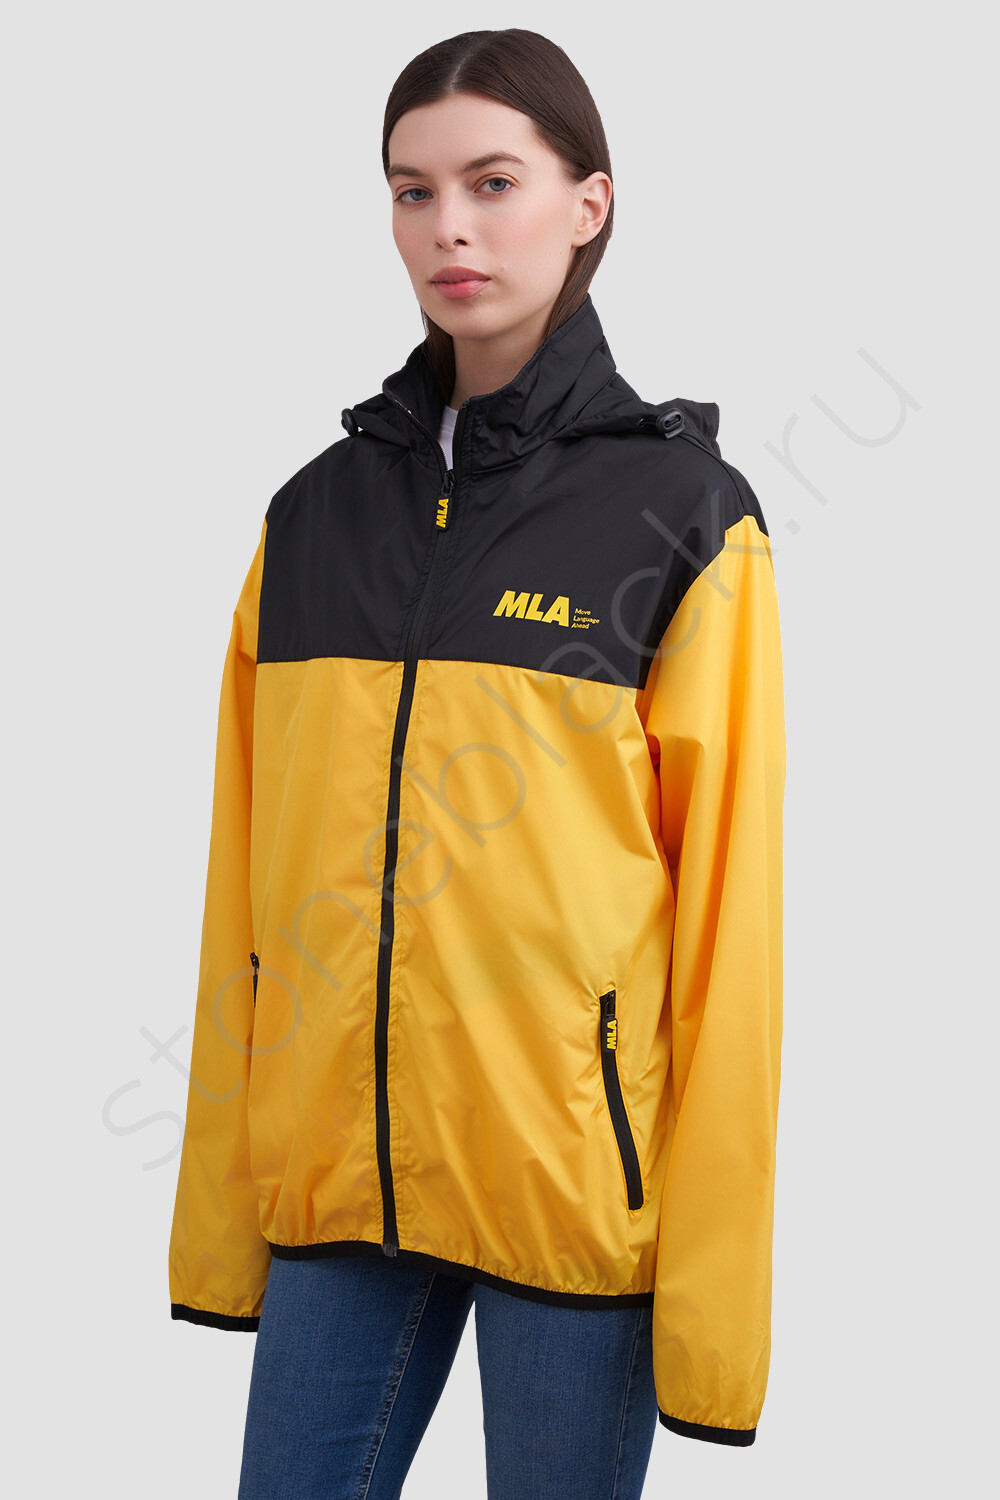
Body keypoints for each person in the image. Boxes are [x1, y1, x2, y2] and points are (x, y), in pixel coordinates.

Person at [167, 27, 787, 1499]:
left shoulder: (685, 516)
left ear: (589, 203)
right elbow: (243, 893)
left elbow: (730, 933)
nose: (449, 226)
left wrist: (715, 1308)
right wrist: (222, 1214)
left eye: (494, 182)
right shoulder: (312, 517)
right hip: (336, 1182)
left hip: (568, 1189)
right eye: (413, 189)